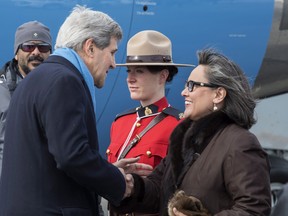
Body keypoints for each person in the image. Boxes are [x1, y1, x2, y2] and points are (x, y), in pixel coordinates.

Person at [0, 5, 152, 216]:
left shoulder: (35, 79)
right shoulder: (65, 81)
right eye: (112, 52)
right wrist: (118, 181)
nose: (114, 64)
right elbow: (71, 155)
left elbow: (48, 161)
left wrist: (107, 170)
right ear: (90, 48)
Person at [111, 48, 272, 215]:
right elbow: (158, 191)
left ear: (218, 94)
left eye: (192, 86)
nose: (184, 92)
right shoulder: (183, 140)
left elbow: (254, 210)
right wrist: (130, 186)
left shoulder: (240, 143)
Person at [107, 30, 193, 168]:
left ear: (163, 76)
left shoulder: (179, 125)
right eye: (129, 71)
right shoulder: (120, 123)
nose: (130, 79)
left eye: (139, 71)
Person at [0, 20, 52, 177]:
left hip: (48, 188)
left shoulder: (62, 88)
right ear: (16, 53)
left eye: (43, 47)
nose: (36, 52)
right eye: (28, 46)